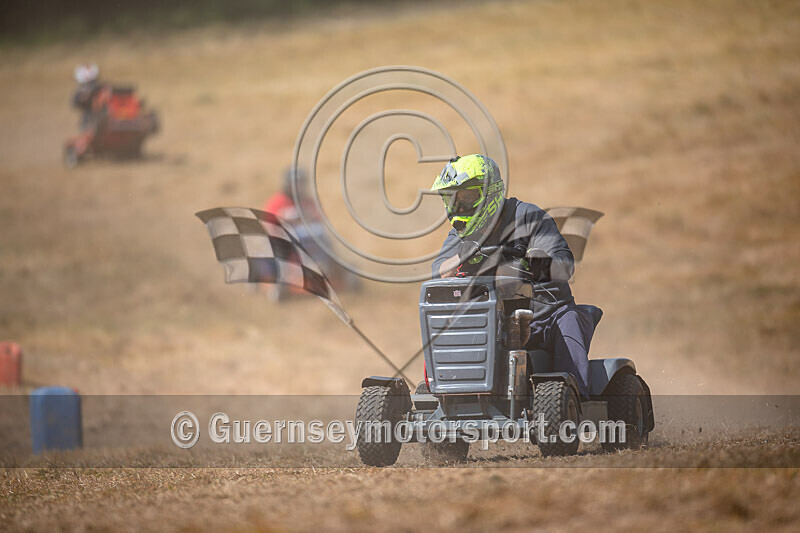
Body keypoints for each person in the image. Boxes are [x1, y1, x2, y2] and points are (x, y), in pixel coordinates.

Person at [430, 154, 598, 398]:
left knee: (569, 320)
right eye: (452, 199)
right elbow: (438, 273)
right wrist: (462, 257)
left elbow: (564, 267)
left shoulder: (528, 218)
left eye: (467, 197)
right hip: (493, 322)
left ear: (489, 193)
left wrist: (524, 266)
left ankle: (577, 400)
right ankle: (444, 394)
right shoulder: (460, 235)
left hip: (544, 318)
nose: (459, 207)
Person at [71, 63, 103, 130]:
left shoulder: (102, 89)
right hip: (88, 122)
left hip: (103, 121)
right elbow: (75, 103)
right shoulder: (80, 92)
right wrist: (83, 98)